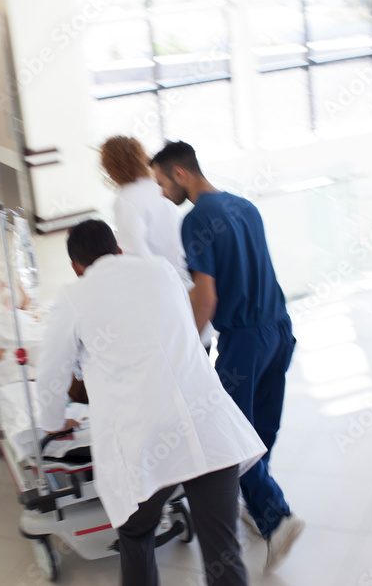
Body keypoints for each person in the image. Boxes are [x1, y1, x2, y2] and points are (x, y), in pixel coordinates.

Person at [36, 219, 265, 586]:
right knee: (222, 551)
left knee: (136, 535)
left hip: (146, 442)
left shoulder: (72, 296)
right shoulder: (160, 269)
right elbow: (190, 328)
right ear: (119, 250)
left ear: (76, 268)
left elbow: (50, 374)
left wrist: (52, 421)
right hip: (209, 425)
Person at [149, 142, 304, 574]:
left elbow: (207, 296)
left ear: (180, 173)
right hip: (280, 328)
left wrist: (189, 348)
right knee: (260, 427)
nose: (162, 193)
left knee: (229, 438)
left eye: (162, 182)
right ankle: (259, 510)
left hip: (244, 342)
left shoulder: (196, 219)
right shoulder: (245, 205)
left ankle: (276, 517)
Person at [99, 134, 215, 348]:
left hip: (167, 299)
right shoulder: (161, 185)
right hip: (194, 289)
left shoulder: (125, 199)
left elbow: (136, 260)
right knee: (201, 363)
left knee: (180, 367)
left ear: (110, 168)